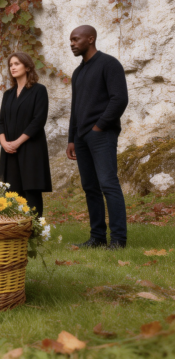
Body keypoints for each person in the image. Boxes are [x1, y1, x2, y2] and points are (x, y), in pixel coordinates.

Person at [66, 25, 129, 249]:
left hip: (101, 134)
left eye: (76, 39)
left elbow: (119, 99)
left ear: (90, 39)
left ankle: (119, 239)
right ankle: (97, 237)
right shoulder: (78, 72)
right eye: (71, 40)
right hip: (82, 137)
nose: (72, 43)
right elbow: (75, 107)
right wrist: (71, 139)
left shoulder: (109, 64)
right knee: (90, 186)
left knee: (108, 184)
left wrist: (99, 127)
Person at [0, 52, 52, 217]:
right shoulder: (8, 94)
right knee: (12, 192)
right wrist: (4, 142)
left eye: (17, 64)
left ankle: (35, 232)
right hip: (9, 150)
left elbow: (38, 121)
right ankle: (14, 231)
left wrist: (17, 142)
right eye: (11, 65)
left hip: (31, 148)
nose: (12, 67)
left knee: (31, 191)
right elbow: (1, 121)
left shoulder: (39, 90)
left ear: (27, 67)